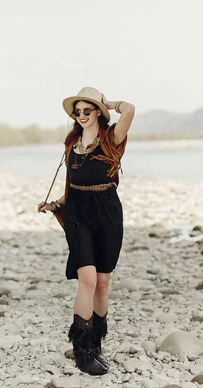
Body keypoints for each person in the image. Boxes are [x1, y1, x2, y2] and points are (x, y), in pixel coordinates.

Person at [37, 87, 135, 375]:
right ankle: (81, 350)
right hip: (78, 213)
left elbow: (129, 109)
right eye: (76, 112)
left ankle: (95, 344)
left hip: (107, 212)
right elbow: (71, 184)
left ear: (97, 112)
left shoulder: (111, 137)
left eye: (86, 110)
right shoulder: (72, 143)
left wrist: (109, 103)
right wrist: (56, 204)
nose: (80, 115)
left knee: (103, 283)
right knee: (88, 280)